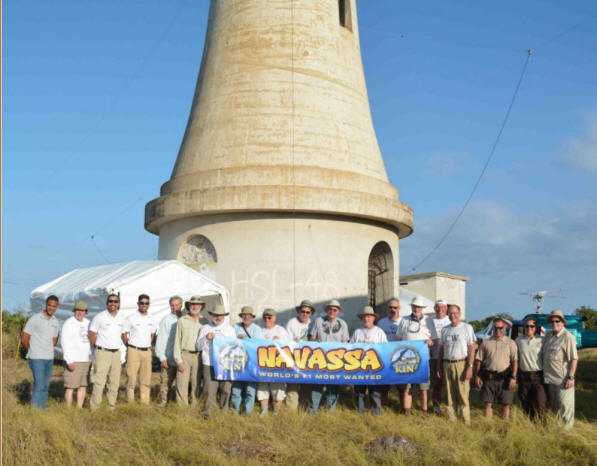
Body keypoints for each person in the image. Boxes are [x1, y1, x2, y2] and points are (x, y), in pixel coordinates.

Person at [309, 299, 349, 414]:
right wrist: (316, 342)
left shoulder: (343, 324)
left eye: (335, 310)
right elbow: (312, 338)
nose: (332, 311)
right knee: (317, 385)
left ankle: (330, 412)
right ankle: (313, 411)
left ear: (338, 311)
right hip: (320, 358)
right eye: (330, 309)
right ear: (326, 310)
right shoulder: (318, 321)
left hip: (336, 360)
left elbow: (345, 342)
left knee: (334, 386)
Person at [395, 296, 434, 415]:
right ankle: (407, 411)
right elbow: (398, 338)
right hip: (407, 359)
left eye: (419, 307)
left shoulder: (428, 320)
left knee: (423, 388)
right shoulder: (404, 320)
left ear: (422, 308)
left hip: (423, 359)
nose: (416, 309)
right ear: (411, 307)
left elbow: (433, 340)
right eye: (414, 306)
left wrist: (430, 342)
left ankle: (424, 411)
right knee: (407, 387)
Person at [438, 304, 475, 424]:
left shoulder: (467, 328)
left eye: (455, 313)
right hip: (447, 364)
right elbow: (441, 349)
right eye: (450, 313)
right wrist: (439, 366)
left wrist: (470, 367)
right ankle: (452, 420)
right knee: (449, 394)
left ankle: (466, 421)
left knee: (463, 393)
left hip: (461, 364)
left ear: (459, 314)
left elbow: (472, 348)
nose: (452, 315)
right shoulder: (445, 330)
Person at [21, 295, 60, 409]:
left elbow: (54, 340)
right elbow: (24, 338)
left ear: (57, 307)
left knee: (46, 386)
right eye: (49, 305)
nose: (51, 308)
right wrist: (32, 351)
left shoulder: (55, 321)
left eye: (54, 306)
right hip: (37, 357)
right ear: (45, 304)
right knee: (39, 384)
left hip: (49, 358)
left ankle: (41, 409)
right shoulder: (35, 319)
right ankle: (34, 410)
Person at [196, 304, 235, 418]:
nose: (218, 317)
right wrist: (205, 338)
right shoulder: (205, 328)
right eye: (216, 315)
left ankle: (224, 412)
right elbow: (198, 346)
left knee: (226, 388)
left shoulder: (230, 329)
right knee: (209, 389)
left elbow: (234, 346)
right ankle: (209, 413)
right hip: (209, 363)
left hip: (225, 363)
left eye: (220, 315)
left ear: (224, 316)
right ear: (212, 315)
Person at [474, 318, 518, 420]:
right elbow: (479, 361)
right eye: (495, 328)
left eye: (500, 328)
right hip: (489, 378)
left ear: (504, 328)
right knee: (488, 404)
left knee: (505, 404)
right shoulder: (485, 343)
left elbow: (515, 361)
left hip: (505, 378)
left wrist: (514, 377)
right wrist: (477, 376)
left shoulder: (510, 343)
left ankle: (505, 425)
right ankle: (488, 424)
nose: (498, 330)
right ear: (492, 328)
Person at [541, 309, 578, 429]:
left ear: (562, 322)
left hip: (563, 380)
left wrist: (571, 377)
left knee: (566, 408)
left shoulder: (568, 337)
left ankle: (567, 433)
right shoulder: (548, 336)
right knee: (554, 408)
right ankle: (557, 431)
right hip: (549, 379)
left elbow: (574, 359)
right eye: (552, 321)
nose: (554, 323)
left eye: (557, 321)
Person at [88, 293, 125, 410]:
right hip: (103, 352)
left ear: (119, 304)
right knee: (99, 381)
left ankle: (111, 407)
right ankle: (95, 408)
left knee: (114, 381)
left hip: (116, 353)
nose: (113, 304)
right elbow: (91, 334)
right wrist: (97, 348)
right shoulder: (100, 317)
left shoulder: (122, 317)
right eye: (110, 301)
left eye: (115, 301)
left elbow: (123, 334)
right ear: (107, 303)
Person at [350, 306, 387, 415]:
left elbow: (385, 349)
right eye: (365, 316)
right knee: (359, 392)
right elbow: (350, 348)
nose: (367, 319)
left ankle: (376, 412)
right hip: (359, 367)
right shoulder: (357, 332)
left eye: (369, 316)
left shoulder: (379, 332)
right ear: (362, 318)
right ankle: (360, 412)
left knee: (375, 392)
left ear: (373, 318)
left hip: (375, 367)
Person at [121, 294, 156, 404]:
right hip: (133, 351)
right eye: (142, 303)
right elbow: (123, 334)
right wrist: (129, 346)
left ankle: (144, 403)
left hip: (147, 351)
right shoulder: (131, 318)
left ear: (149, 304)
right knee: (131, 378)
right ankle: (130, 402)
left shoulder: (151, 319)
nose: (144, 305)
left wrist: (147, 343)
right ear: (138, 304)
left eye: (146, 303)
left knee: (146, 379)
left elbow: (152, 334)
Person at [258, 308, 290, 417]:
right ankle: (264, 411)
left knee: (278, 388)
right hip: (262, 364)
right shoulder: (260, 331)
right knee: (262, 388)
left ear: (274, 318)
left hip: (277, 365)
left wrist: (279, 341)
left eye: (269, 317)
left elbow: (288, 345)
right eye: (265, 317)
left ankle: (276, 412)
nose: (267, 319)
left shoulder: (280, 330)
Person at [173, 295, 205, 407]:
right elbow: (177, 341)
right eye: (193, 304)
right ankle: (182, 409)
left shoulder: (205, 322)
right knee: (182, 383)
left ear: (201, 306)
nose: (195, 306)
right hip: (185, 355)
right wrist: (179, 360)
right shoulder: (182, 321)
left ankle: (195, 407)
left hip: (199, 356)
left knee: (197, 383)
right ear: (189, 305)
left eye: (197, 304)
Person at [60, 300, 92, 408]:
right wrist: (69, 360)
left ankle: (79, 408)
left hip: (86, 360)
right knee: (70, 387)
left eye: (82, 311)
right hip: (74, 360)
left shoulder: (88, 323)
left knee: (83, 386)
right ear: (74, 311)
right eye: (78, 310)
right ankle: (68, 409)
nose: (80, 313)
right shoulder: (69, 323)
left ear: (85, 312)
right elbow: (65, 343)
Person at [231, 306, 262, 415]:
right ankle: (235, 410)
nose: (246, 317)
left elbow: (259, 345)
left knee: (250, 390)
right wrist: (236, 339)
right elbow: (229, 341)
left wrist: (246, 340)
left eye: (248, 315)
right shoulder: (235, 327)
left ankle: (248, 412)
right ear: (241, 316)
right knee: (236, 389)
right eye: (244, 315)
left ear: (252, 317)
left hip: (252, 363)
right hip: (237, 361)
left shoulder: (257, 329)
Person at [285, 299, 314, 411]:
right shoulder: (292, 323)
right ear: (299, 311)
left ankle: (304, 410)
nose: (305, 314)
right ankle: (290, 411)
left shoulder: (313, 323)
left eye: (307, 312)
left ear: (311, 313)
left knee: (306, 385)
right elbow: (286, 341)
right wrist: (293, 342)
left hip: (308, 359)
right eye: (303, 311)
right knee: (292, 386)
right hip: (294, 359)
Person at [516, 316, 547, 420]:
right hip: (524, 376)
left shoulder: (542, 340)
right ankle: (529, 425)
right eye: (527, 326)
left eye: (532, 326)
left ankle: (542, 425)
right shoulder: (519, 340)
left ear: (536, 327)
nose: (529, 328)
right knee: (525, 403)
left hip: (538, 376)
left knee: (540, 402)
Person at [155, 296, 183, 407]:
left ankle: (178, 405)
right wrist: (162, 357)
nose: (174, 307)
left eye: (177, 305)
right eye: (172, 305)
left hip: (182, 359)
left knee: (181, 385)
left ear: (181, 305)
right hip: (169, 358)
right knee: (165, 384)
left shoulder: (186, 319)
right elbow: (161, 340)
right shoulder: (166, 320)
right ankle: (163, 404)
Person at [376, 298, 402, 406]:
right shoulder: (381, 322)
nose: (393, 309)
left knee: (401, 385)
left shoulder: (403, 322)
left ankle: (403, 406)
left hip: (399, 357)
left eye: (395, 307)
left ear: (399, 308)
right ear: (388, 308)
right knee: (384, 384)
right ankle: (384, 406)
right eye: (390, 307)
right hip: (385, 357)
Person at [428, 300, 451, 415]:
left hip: (448, 358)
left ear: (446, 308)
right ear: (434, 309)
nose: (439, 309)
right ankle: (436, 408)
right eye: (437, 307)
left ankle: (450, 408)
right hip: (434, 357)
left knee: (449, 386)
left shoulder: (450, 320)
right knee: (436, 385)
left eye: (442, 307)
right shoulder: (429, 320)